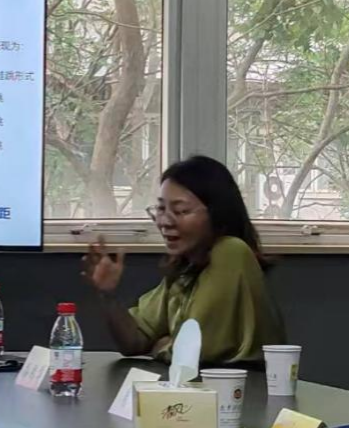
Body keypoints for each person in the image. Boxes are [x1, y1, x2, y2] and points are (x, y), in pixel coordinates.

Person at [83, 155, 285, 365]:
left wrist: (161, 346)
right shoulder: (186, 268)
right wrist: (107, 295)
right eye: (161, 209)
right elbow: (134, 341)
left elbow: (194, 351)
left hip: (246, 385)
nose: (164, 221)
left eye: (180, 211)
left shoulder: (231, 251)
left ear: (217, 213)